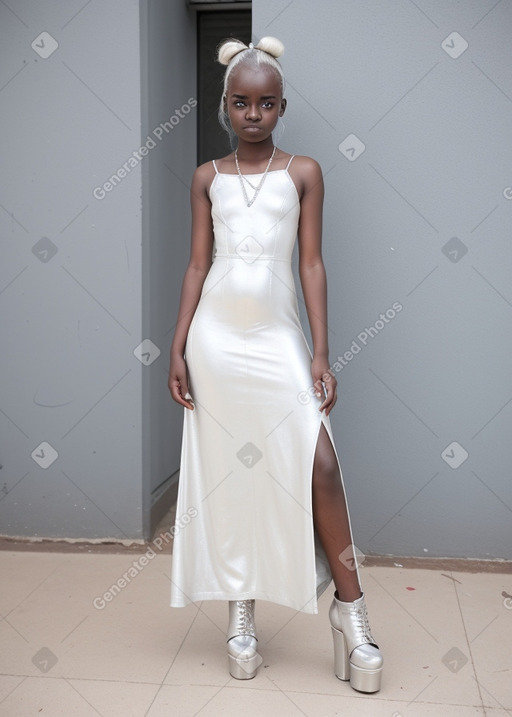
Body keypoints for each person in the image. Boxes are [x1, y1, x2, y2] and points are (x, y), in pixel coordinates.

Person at [167, 35, 383, 693]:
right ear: (226, 107)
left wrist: (321, 350)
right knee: (235, 472)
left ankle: (352, 614)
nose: (252, 114)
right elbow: (198, 263)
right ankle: (240, 608)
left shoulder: (306, 172)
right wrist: (176, 345)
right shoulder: (207, 176)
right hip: (216, 340)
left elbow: (311, 263)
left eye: (265, 103)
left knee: (318, 462)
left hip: (277, 339)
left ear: (282, 106)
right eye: (241, 103)